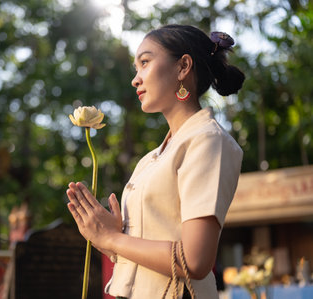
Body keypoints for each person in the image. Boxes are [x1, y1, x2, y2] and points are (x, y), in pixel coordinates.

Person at [66, 24, 245, 299]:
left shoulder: (207, 140)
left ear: (183, 66)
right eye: (136, 68)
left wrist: (113, 239)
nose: (135, 79)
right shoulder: (150, 159)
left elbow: (195, 261)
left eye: (145, 63)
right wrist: (105, 238)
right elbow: (139, 252)